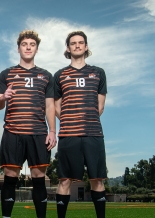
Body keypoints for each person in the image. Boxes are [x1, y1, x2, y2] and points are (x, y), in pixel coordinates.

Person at [0, 30, 56, 218]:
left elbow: (49, 106)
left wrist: (52, 130)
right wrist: (3, 97)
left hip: (38, 133)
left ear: (36, 49)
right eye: (24, 44)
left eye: (32, 44)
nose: (28, 47)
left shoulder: (46, 76)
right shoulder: (7, 74)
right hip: (13, 132)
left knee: (38, 178)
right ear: (18, 48)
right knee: (10, 179)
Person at [54, 31, 107, 218]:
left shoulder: (98, 73)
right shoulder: (59, 75)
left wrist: (85, 119)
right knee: (64, 181)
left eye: (81, 42)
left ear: (86, 46)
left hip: (93, 134)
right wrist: (70, 119)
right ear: (68, 48)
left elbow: (100, 107)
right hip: (69, 135)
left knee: (97, 180)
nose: (77, 45)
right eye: (73, 43)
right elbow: (56, 106)